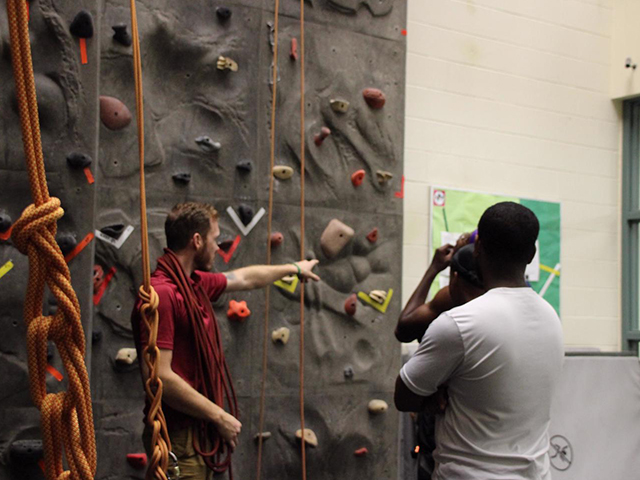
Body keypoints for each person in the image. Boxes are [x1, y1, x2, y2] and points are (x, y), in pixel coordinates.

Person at [131, 202, 319, 479]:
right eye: (215, 239)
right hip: (178, 436)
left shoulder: (193, 284)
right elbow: (159, 377)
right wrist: (219, 416)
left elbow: (243, 277)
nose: (218, 247)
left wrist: (293, 268)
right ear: (197, 241)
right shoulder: (163, 295)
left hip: (197, 432)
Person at [394, 202, 564, 480]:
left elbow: (404, 395)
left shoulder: (458, 323)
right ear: (532, 254)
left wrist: (435, 395)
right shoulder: (550, 318)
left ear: (478, 248)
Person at [395, 236, 485, 479]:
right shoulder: (510, 302)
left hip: (448, 426)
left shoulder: (451, 298)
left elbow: (403, 328)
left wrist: (434, 269)